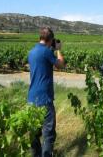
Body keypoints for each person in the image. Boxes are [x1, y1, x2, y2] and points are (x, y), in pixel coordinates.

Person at [27, 27, 65, 157]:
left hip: (31, 97)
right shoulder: (47, 52)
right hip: (45, 98)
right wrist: (58, 50)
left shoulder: (31, 52)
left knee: (34, 132)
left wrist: (51, 50)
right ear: (50, 40)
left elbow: (42, 63)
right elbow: (60, 64)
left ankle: (36, 155)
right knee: (48, 132)